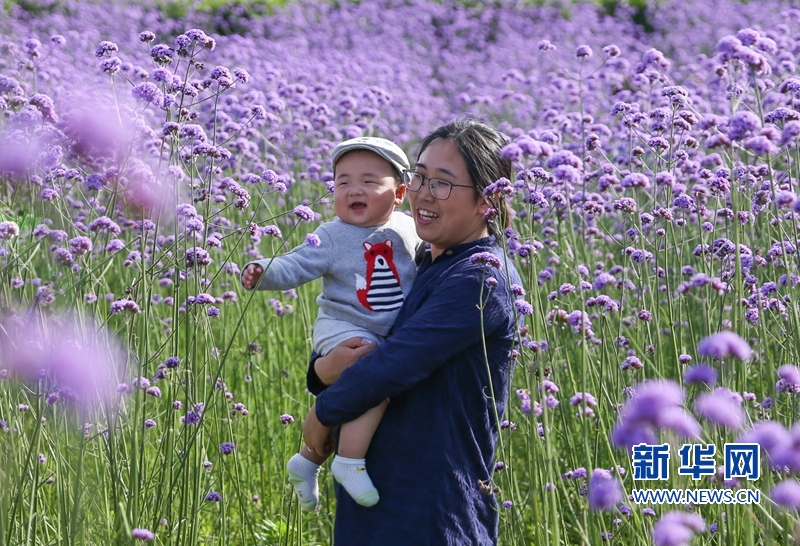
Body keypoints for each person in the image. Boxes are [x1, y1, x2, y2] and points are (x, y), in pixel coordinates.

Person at [303, 118, 522, 545]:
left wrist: (322, 414)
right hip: (380, 497)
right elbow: (365, 338)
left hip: (432, 508)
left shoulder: (482, 279)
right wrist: (321, 370)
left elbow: (394, 364)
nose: (422, 193)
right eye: (419, 176)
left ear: (487, 201)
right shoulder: (419, 261)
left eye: (442, 183)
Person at [241, 137, 421, 510]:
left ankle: (307, 460)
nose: (354, 189)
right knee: (373, 375)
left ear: (400, 192)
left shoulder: (410, 229)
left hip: (383, 331)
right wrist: (264, 272)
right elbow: (297, 262)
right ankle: (349, 462)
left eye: (369, 181)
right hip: (343, 327)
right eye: (342, 182)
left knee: (374, 376)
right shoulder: (332, 235)